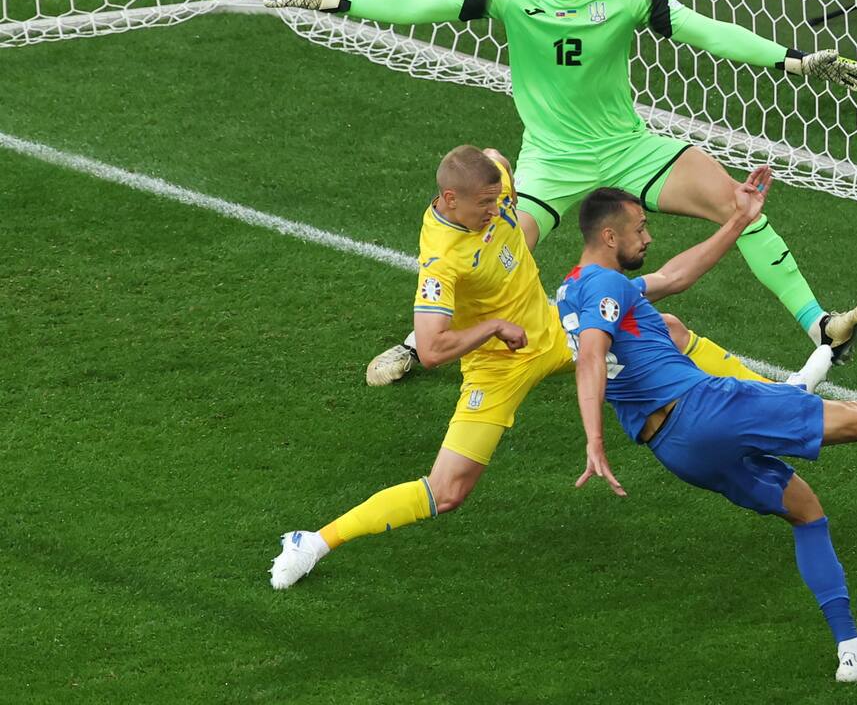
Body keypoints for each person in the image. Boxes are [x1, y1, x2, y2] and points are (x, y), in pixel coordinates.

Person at [255, 0, 857, 386]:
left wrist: (791, 61)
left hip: (631, 148)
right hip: (552, 163)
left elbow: (704, 30)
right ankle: (421, 342)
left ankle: (822, 325)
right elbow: (427, 4)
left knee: (741, 207)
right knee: (492, 254)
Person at [555, 180, 857, 683]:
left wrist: (740, 221)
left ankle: (850, 647)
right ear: (609, 236)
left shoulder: (574, 290)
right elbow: (591, 357)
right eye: (640, 229)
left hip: (675, 449)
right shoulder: (606, 286)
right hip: (705, 408)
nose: (648, 237)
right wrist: (593, 440)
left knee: (806, 513)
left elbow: (674, 276)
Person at [269, 145, 786, 589]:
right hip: (498, 368)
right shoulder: (441, 261)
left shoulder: (493, 177)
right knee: (446, 491)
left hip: (555, 328)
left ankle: (784, 395)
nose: (496, 210)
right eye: (484, 204)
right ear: (450, 201)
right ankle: (313, 542)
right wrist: (491, 326)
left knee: (665, 326)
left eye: (499, 199)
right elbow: (430, 349)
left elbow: (491, 159)